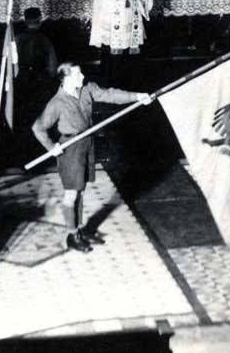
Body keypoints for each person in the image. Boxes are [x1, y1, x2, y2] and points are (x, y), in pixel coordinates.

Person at [32, 63, 152, 252]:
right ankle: (72, 235)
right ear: (66, 79)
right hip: (70, 149)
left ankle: (80, 230)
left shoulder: (87, 89)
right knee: (71, 194)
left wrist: (137, 97)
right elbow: (38, 127)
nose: (82, 76)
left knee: (80, 191)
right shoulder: (57, 102)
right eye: (78, 74)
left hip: (87, 144)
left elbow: (110, 94)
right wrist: (50, 146)